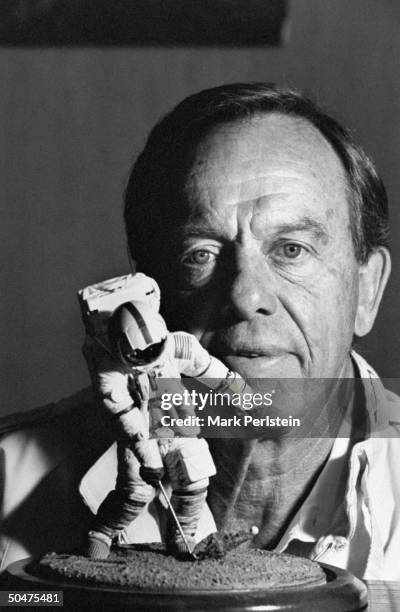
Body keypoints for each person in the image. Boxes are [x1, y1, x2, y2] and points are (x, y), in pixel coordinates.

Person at [0, 83, 398, 581]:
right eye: (200, 255)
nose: (245, 296)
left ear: (366, 291)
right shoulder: (6, 481)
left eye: (291, 249)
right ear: (149, 288)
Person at [84, 297, 250, 559]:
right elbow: (129, 422)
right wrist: (150, 460)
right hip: (138, 436)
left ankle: (181, 536)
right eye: (139, 353)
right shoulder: (111, 375)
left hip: (177, 420)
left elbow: (208, 369)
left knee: (194, 479)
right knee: (136, 492)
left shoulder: (178, 346)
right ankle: (102, 533)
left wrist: (241, 393)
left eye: (154, 348)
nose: (148, 355)